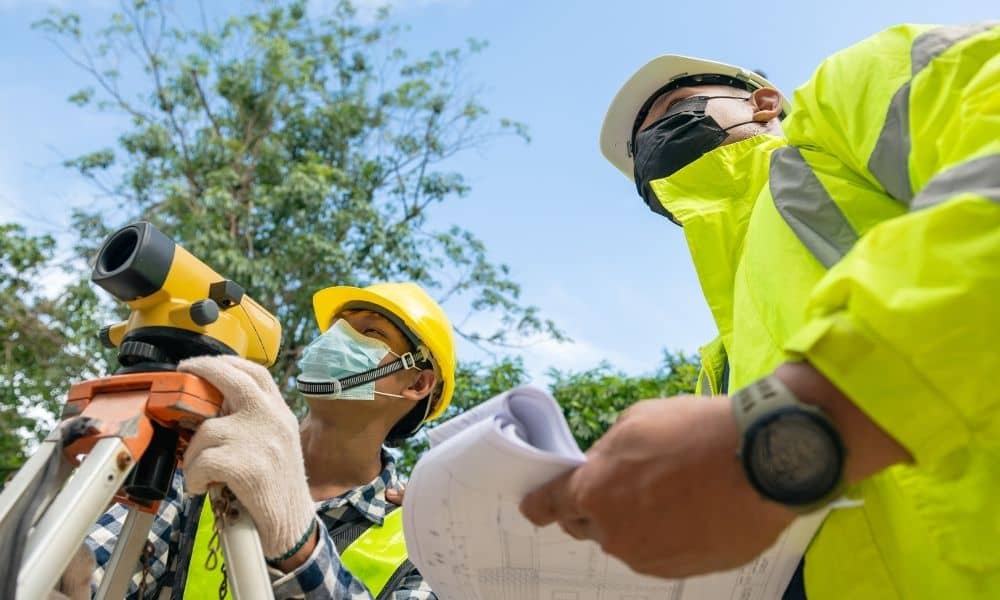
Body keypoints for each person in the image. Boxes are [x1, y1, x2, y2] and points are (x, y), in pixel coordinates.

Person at [521, 22, 1000, 599]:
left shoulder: (839, 108)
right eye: (639, 152)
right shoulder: (717, 369)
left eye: (673, 108)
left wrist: (795, 428)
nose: (652, 144)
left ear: (764, 103)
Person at [77, 282, 456, 599]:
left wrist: (297, 541)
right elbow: (96, 568)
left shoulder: (427, 543)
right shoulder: (213, 457)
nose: (336, 342)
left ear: (417, 383)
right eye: (336, 329)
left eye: (370, 333)